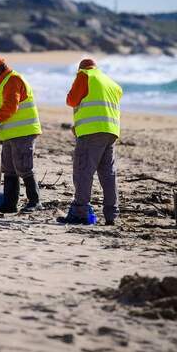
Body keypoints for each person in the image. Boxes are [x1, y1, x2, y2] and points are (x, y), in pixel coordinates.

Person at [58, 58, 123, 226]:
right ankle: (111, 215)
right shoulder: (110, 82)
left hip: (91, 132)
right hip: (110, 132)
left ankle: (80, 213)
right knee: (108, 174)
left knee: (83, 171)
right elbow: (101, 106)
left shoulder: (85, 75)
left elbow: (71, 100)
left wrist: (84, 127)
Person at [0, 57, 42, 214]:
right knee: (9, 168)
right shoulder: (3, 83)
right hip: (10, 133)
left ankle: (35, 201)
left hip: (24, 132)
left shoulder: (13, 80)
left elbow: (10, 106)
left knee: (24, 167)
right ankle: (9, 204)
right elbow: (6, 109)